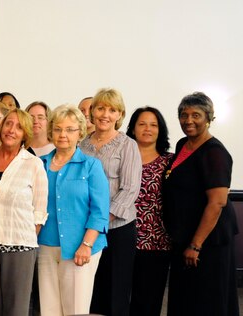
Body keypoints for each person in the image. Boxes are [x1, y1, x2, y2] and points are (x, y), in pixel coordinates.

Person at [162, 92, 239, 316]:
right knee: (186, 297)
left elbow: (217, 202)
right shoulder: (182, 144)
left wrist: (195, 245)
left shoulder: (215, 153)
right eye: (183, 115)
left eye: (196, 115)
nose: (189, 120)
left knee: (206, 299)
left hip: (207, 242)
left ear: (208, 118)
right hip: (184, 235)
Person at [37, 105, 109, 316]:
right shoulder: (39, 164)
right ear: (51, 131)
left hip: (80, 247)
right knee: (49, 309)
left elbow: (100, 212)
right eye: (58, 129)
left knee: (76, 310)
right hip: (45, 246)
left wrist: (86, 244)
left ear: (80, 133)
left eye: (70, 129)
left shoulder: (91, 166)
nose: (63, 135)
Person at [79, 88, 141, 316]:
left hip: (117, 230)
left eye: (112, 110)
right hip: (84, 229)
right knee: (88, 290)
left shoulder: (128, 145)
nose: (105, 114)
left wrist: (100, 221)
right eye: (101, 108)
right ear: (92, 112)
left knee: (115, 292)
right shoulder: (81, 145)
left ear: (120, 114)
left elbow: (130, 189)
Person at [0, 108, 48, 316]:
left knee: (16, 310)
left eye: (19, 127)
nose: (11, 130)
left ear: (25, 134)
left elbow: (39, 211)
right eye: (8, 124)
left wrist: (24, 239)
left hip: (20, 246)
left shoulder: (33, 164)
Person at [125, 107, 173, 316]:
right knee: (117, 298)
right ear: (133, 129)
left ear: (160, 130)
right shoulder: (122, 158)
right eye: (142, 124)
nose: (148, 129)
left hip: (156, 242)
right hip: (120, 238)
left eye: (154, 125)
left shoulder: (170, 162)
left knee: (148, 301)